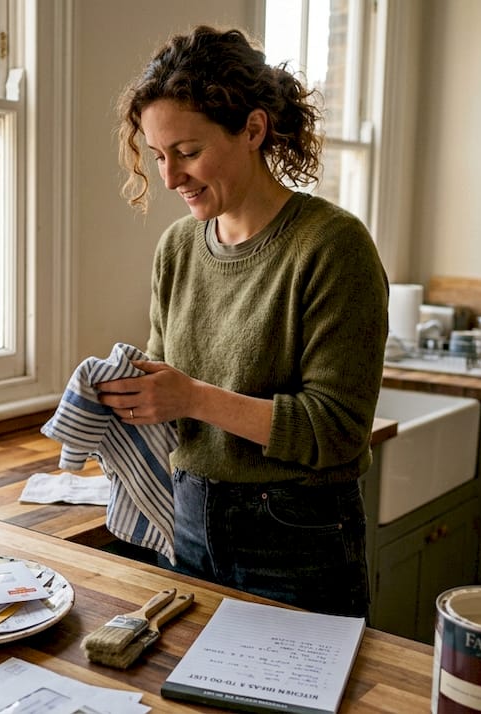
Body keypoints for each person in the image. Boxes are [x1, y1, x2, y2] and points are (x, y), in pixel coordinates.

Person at [95, 25, 389, 618]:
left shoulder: (332, 246)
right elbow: (171, 385)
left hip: (296, 534)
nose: (171, 178)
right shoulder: (178, 246)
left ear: (252, 129)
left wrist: (191, 398)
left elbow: (337, 430)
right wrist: (129, 394)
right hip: (187, 518)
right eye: (157, 157)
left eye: (187, 151)